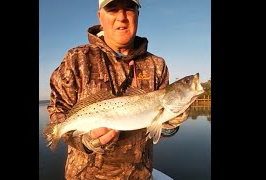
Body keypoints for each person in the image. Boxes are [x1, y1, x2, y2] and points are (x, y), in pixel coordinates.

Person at [47, 0, 190, 179]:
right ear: (100, 16)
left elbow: (160, 130)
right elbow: (57, 110)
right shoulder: (76, 59)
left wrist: (172, 122)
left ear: (138, 14)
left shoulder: (157, 65)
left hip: (140, 175)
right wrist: (85, 141)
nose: (121, 18)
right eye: (113, 9)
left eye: (129, 9)